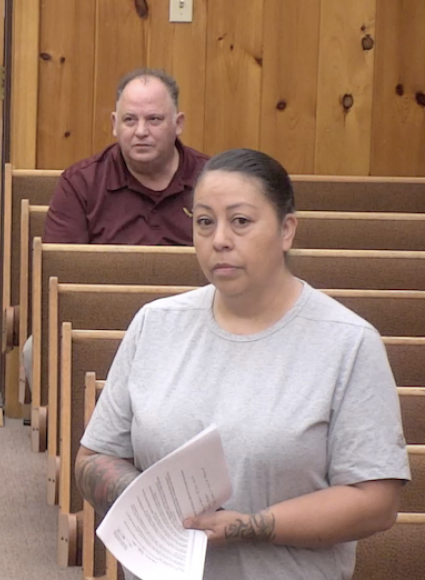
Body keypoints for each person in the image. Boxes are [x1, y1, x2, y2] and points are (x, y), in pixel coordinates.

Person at [75, 149, 409, 579]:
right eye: (204, 222)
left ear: (286, 230)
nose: (219, 240)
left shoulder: (347, 342)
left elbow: (376, 503)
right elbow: (93, 458)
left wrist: (250, 527)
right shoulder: (155, 324)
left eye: (241, 221)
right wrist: (147, 496)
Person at [43, 69, 210, 245]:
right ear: (115, 124)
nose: (141, 132)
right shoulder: (80, 184)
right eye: (130, 120)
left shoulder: (214, 180)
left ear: (178, 124)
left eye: (154, 119)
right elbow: (60, 266)